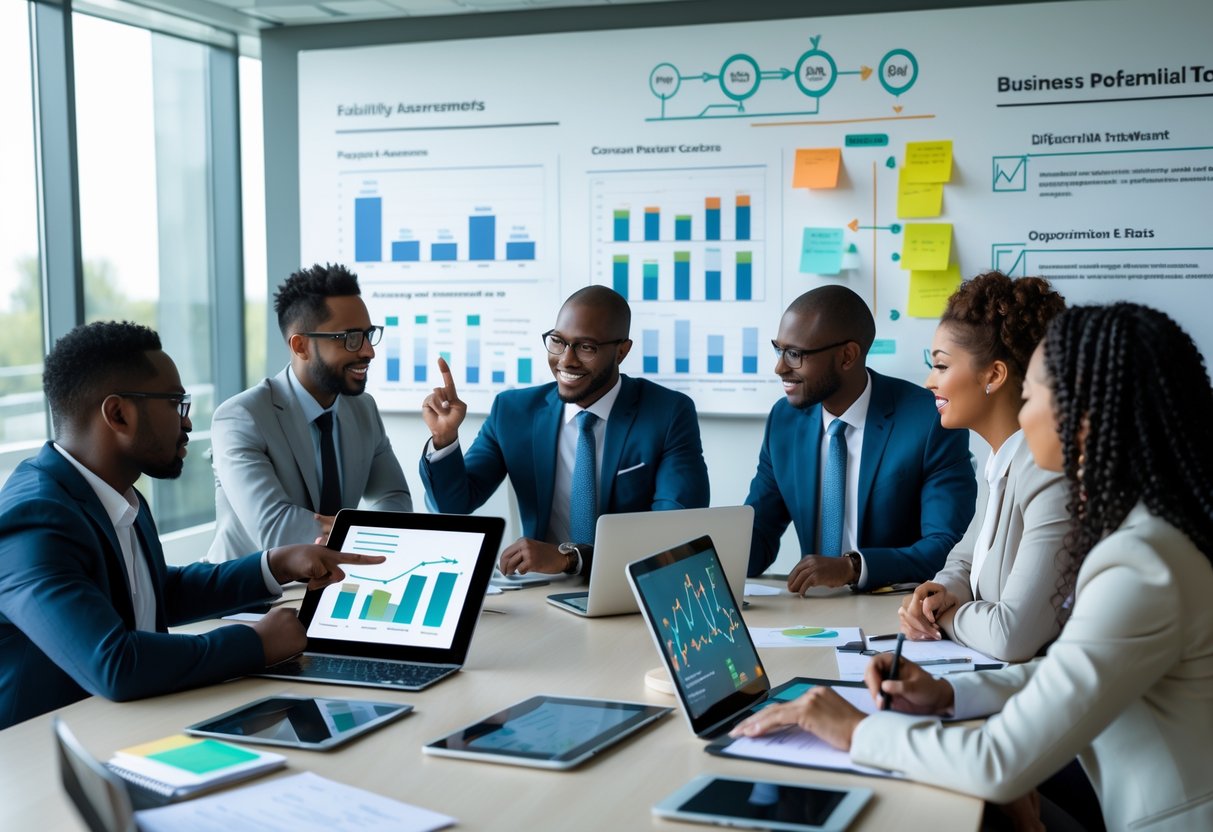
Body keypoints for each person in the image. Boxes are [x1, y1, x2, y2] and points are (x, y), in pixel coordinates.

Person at [731, 303, 1213, 831]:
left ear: (1085, 419)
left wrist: (854, 731)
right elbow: (1068, 671)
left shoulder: (1140, 564)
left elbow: (997, 762)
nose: (1022, 417)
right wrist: (948, 692)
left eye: (1030, 397)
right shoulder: (1147, 531)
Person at [0, 322, 384, 730]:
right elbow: (114, 663)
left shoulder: (117, 494)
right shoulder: (34, 521)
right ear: (118, 414)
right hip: (46, 754)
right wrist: (256, 643)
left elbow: (157, 593)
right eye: (175, 404)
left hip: (131, 722)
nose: (187, 423)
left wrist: (274, 565)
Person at [419, 285, 709, 576]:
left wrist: (571, 558)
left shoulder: (668, 413)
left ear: (621, 351)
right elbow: (453, 506)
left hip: (630, 586)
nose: (566, 360)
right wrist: (444, 440)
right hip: (539, 589)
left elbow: (674, 532)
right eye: (558, 341)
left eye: (586, 347)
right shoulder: (513, 411)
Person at [745, 285, 976, 593]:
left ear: (847, 356)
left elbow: (946, 547)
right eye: (779, 349)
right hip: (812, 610)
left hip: (895, 608)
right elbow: (758, 537)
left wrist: (853, 567)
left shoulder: (930, 420)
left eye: (795, 354)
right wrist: (708, 545)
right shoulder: (784, 421)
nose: (780, 367)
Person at [900, 273, 1068, 661]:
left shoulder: (1047, 472)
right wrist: (941, 595)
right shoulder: (1003, 459)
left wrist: (948, 618)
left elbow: (1011, 636)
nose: (929, 382)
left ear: (993, 375)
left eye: (941, 367)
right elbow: (967, 557)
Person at [207, 264, 411, 562]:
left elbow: (394, 499)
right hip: (251, 600)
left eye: (368, 335)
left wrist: (359, 533)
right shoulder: (240, 417)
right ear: (301, 346)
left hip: (331, 586)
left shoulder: (362, 408)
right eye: (351, 338)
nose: (368, 351)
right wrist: (368, 535)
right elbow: (277, 530)